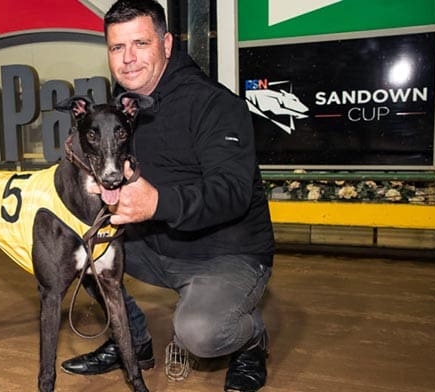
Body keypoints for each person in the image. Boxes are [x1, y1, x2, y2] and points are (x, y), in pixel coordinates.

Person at [59, 1, 275, 391]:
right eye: (116, 48)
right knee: (78, 252)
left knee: (201, 334)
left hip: (223, 252)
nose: (128, 59)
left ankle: (251, 339)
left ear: (168, 43)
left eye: (140, 43)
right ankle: (133, 343)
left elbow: (233, 192)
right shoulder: (121, 105)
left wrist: (158, 203)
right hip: (152, 243)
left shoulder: (214, 104)